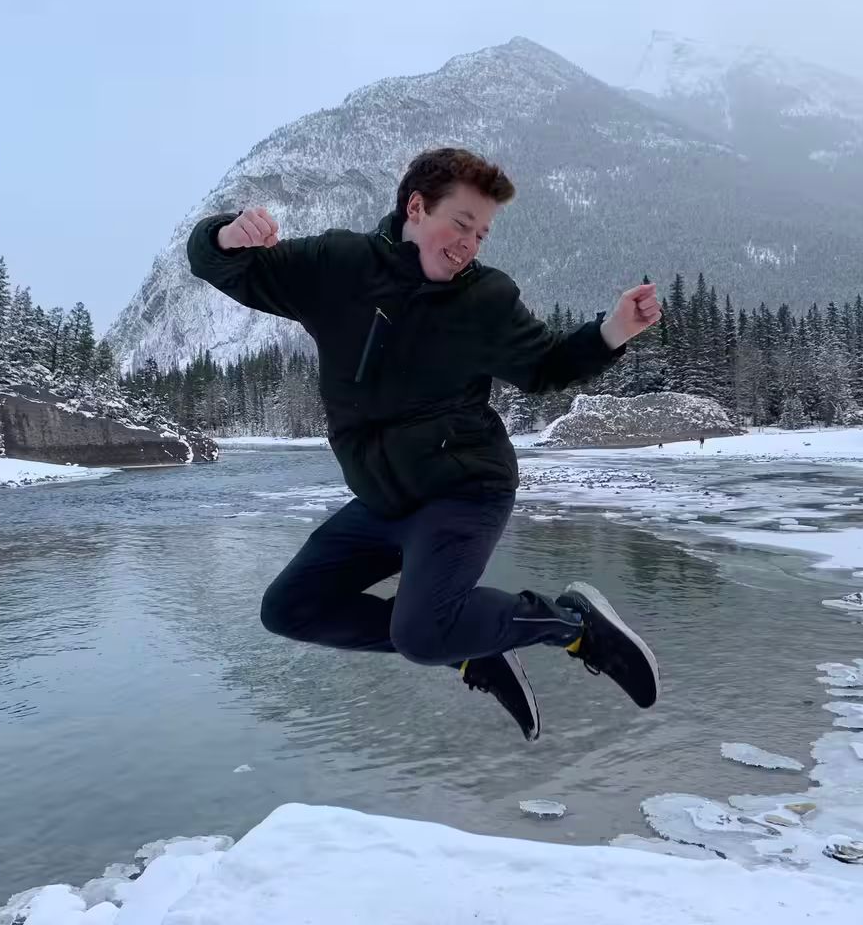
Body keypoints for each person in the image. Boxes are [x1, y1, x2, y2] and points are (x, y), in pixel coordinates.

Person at [188, 147, 662, 742]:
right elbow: (222, 266)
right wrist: (225, 236)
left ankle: (571, 625)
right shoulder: (338, 266)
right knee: (289, 610)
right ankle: (470, 648)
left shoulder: (484, 299)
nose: (470, 244)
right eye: (461, 223)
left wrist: (613, 330)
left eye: (481, 234)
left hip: (465, 491)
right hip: (385, 501)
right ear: (416, 206)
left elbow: (545, 367)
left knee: (420, 633)